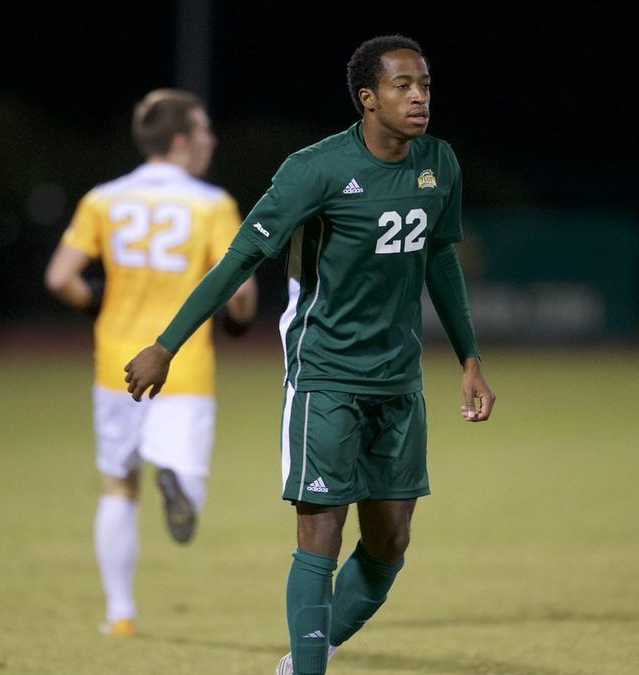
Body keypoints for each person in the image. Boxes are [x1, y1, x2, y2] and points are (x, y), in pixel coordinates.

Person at [124, 35, 495, 674]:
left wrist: (468, 358)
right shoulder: (315, 169)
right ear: (367, 98)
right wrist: (166, 345)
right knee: (319, 539)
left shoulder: (439, 163)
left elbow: (439, 259)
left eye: (426, 84)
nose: (419, 97)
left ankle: (297, 663)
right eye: (404, 86)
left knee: (390, 544)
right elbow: (239, 258)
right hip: (325, 375)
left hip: (399, 382)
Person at [45, 88, 257, 637]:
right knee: (188, 477)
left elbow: (59, 277)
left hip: (117, 363)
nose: (212, 139)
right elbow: (240, 291)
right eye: (205, 130)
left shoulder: (104, 198)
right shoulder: (211, 203)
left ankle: (120, 614)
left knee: (117, 486)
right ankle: (179, 483)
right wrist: (240, 319)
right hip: (182, 366)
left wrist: (98, 302)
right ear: (183, 140)